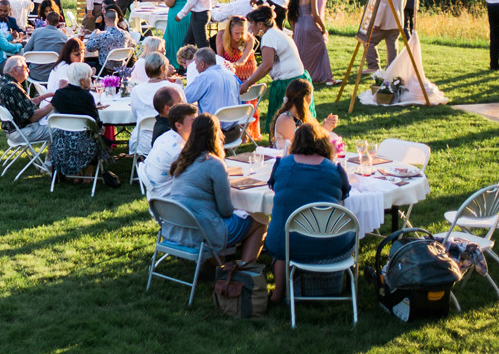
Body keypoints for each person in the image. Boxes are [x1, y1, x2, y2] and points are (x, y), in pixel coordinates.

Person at [151, 113, 265, 261]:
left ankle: (215, 265)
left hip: (177, 229)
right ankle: (243, 270)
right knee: (260, 221)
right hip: (203, 233)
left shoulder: (182, 160)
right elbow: (226, 211)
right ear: (216, 134)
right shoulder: (214, 164)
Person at [264, 122, 353, 303]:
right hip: (329, 240)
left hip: (288, 242)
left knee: (282, 245)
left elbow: (273, 185)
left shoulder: (282, 165)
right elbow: (344, 193)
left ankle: (278, 293)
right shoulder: (334, 169)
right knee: (350, 232)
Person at [240, 6, 310, 132]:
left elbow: (267, 65)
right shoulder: (276, 32)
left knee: (284, 121)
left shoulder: (269, 37)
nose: (249, 27)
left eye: (251, 23)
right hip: (298, 78)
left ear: (260, 24)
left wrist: (247, 84)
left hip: (289, 82)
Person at [50, 62, 120, 187]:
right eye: (89, 77)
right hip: (85, 147)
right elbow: (95, 124)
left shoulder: (59, 94)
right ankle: (88, 174)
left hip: (61, 145)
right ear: (82, 81)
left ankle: (77, 173)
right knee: (98, 134)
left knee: (80, 135)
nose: (91, 80)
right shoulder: (86, 97)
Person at [0, 55, 55, 144]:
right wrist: (55, 102)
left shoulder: (0, 82)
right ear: (15, 70)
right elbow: (33, 117)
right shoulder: (12, 88)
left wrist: (44, 97)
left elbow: (23, 104)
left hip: (11, 130)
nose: (28, 70)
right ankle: (57, 157)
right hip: (22, 132)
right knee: (62, 129)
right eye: (25, 67)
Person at [287, 0, 334, 84]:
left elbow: (291, 16)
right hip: (309, 23)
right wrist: (323, 28)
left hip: (298, 25)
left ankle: (302, 74)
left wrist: (294, 30)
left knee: (301, 51)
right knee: (321, 47)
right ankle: (323, 76)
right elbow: (316, 16)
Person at [365, 0, 408, 73]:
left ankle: (373, 65)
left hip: (384, 20)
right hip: (397, 19)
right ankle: (391, 68)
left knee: (368, 40)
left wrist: (377, 22)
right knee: (392, 45)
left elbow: (381, 3)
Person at [141, 101, 197, 188]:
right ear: (178, 125)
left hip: (156, 191)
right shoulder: (177, 150)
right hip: (168, 196)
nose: (197, 125)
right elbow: (194, 179)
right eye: (193, 121)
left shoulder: (165, 137)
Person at [184, 47, 243, 125]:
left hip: (211, 129)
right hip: (233, 129)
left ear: (202, 64)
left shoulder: (204, 77)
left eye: (195, 63)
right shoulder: (230, 75)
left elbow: (184, 98)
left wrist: (178, 87)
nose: (195, 67)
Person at [271, 78, 335, 148]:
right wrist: (324, 131)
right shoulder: (285, 119)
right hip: (289, 158)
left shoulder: (301, 116)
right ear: (306, 99)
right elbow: (302, 147)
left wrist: (321, 129)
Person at [23, 14, 69, 82]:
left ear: (46, 21)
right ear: (58, 23)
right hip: (54, 74)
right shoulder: (63, 36)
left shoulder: (37, 32)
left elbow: (26, 50)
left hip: (35, 73)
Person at [215, 14, 257, 83]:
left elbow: (243, 60)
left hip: (246, 70)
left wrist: (233, 65)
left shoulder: (249, 39)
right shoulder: (221, 36)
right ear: (230, 30)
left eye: (242, 33)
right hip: (229, 69)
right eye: (236, 33)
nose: (239, 36)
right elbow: (220, 58)